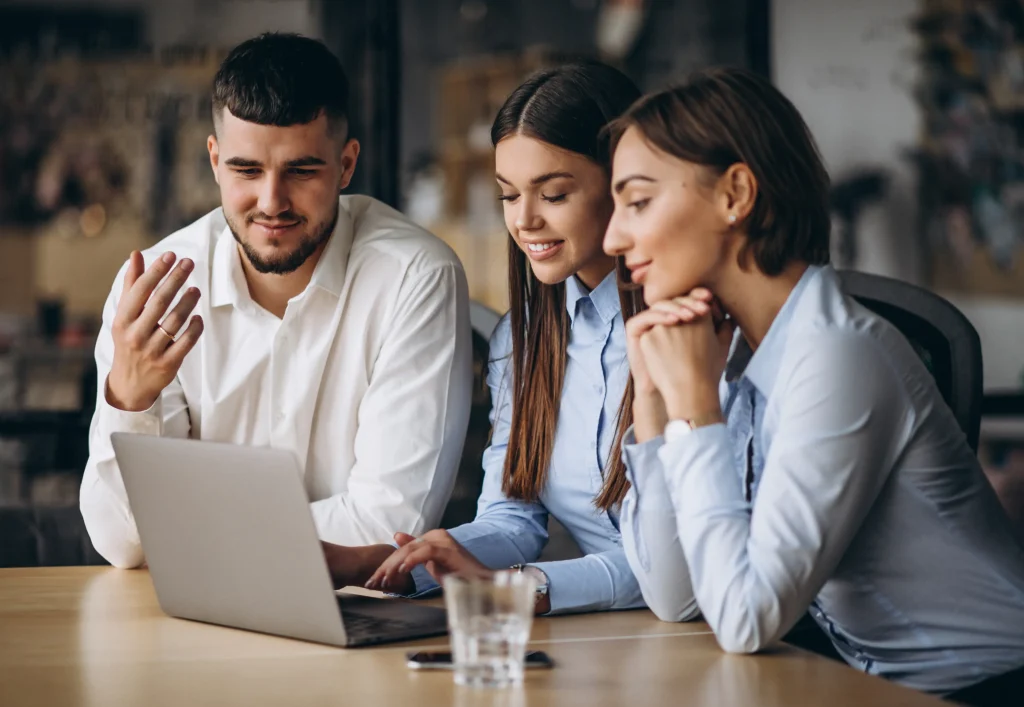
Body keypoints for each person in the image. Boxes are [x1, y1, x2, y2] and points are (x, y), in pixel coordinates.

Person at [603, 66, 1024, 701]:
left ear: (735, 194)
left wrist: (695, 406)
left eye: (636, 201)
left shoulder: (838, 355)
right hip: (870, 686)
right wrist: (658, 403)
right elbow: (676, 596)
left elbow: (745, 620)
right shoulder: (735, 350)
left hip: (986, 690)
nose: (612, 237)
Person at [80, 33, 472, 569]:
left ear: (347, 164)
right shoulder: (150, 292)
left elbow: (388, 528)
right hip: (185, 621)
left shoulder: (414, 277)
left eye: (302, 170)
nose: (271, 203)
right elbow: (122, 543)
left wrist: (183, 532)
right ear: (215, 161)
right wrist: (130, 397)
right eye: (246, 170)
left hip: (356, 622)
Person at [322, 61, 648, 616]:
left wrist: (525, 589)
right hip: (629, 639)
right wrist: (390, 565)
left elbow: (676, 571)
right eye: (508, 195)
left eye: (553, 194)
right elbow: (512, 519)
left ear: (625, 186)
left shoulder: (691, 334)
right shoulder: (522, 342)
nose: (524, 221)